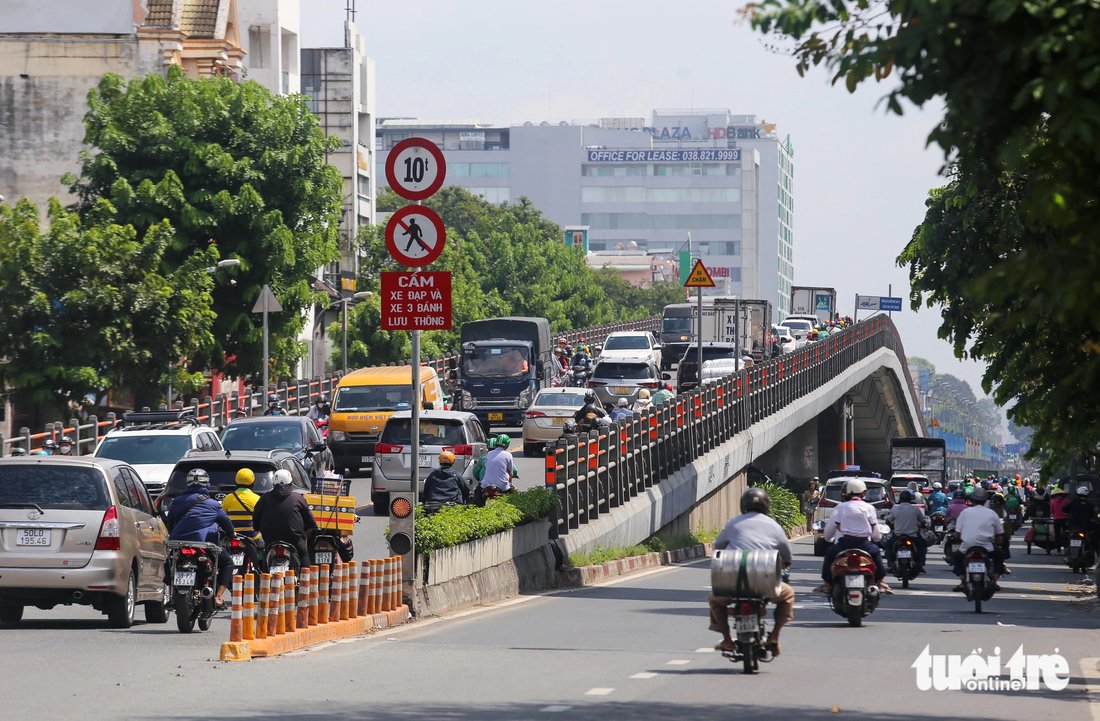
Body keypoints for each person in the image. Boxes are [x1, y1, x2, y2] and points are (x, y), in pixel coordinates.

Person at [709, 487, 795, 657]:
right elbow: (786, 553)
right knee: (788, 595)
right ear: (766, 505)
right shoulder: (774, 525)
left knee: (715, 600)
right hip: (765, 582)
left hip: (732, 582)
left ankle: (727, 639)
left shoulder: (733, 523)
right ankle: (774, 637)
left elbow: (718, 546)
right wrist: (785, 563)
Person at [166, 469, 235, 608]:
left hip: (178, 544)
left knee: (168, 562)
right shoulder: (214, 505)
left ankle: (172, 593)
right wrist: (232, 535)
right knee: (228, 563)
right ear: (207, 484)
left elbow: (170, 524)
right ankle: (219, 596)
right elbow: (227, 524)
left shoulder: (177, 502)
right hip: (203, 544)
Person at [815, 479, 890, 595]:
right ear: (863, 493)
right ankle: (881, 583)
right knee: (876, 555)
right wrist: (877, 539)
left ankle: (827, 584)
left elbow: (834, 527)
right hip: (864, 544)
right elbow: (875, 533)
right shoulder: (869, 508)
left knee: (830, 554)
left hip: (845, 542)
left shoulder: (841, 507)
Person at [252, 469, 317, 562]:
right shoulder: (298, 498)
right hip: (294, 540)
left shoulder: (264, 498)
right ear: (290, 484)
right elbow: (310, 520)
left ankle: (264, 573)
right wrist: (310, 529)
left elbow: (256, 519)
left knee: (265, 558)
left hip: (270, 539)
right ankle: (304, 576)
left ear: (274, 484)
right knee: (303, 554)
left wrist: (257, 527)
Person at [951, 486, 1005, 592]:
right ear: (985, 500)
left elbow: (957, 533)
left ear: (972, 500)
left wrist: (958, 537)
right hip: (987, 547)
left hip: (967, 547)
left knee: (956, 557)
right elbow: (1000, 533)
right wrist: (999, 540)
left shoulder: (965, 512)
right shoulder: (992, 514)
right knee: (999, 556)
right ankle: (994, 579)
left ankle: (962, 581)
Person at [885, 490, 928, 572]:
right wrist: (923, 526)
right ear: (910, 500)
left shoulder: (895, 510)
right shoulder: (915, 510)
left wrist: (891, 526)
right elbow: (923, 522)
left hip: (898, 536)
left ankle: (891, 563)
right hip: (913, 536)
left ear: (900, 499)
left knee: (888, 545)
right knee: (923, 544)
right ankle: (919, 563)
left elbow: (888, 521)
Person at [478, 434, 516, 501]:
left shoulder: (489, 454)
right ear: (507, 444)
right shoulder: (508, 455)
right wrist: (510, 483)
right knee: (513, 498)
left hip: (486, 485)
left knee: (477, 494)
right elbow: (510, 472)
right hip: (503, 486)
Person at [1066, 485, 1099, 556]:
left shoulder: (1073, 503)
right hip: (1085, 527)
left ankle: (1066, 550)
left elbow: (1064, 509)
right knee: (1095, 540)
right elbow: (1093, 516)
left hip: (1073, 526)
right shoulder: (1089, 505)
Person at [1050, 486, 1071, 552]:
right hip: (1065, 519)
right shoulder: (1066, 501)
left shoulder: (1052, 501)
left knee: (1057, 534)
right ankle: (1066, 548)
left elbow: (1052, 511)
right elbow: (1069, 510)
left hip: (1056, 519)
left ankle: (1058, 549)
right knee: (1066, 534)